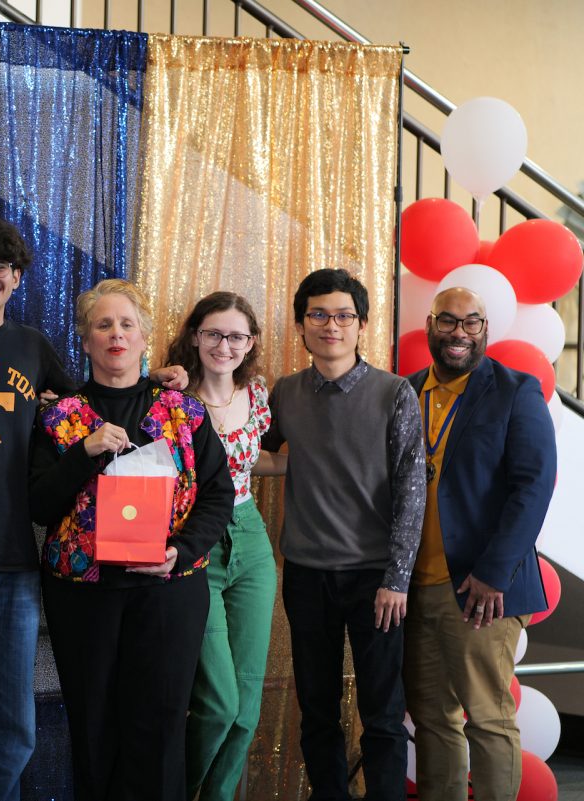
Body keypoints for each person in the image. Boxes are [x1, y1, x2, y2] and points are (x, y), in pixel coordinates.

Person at [0, 220, 185, 800]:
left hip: (18, 561)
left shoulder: (32, 346)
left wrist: (155, 380)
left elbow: (93, 403)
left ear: (18, 279)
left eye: (1, 267)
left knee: (13, 727)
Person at [29, 278, 234, 801]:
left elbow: (217, 497)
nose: (115, 334)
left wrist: (180, 553)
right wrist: (84, 453)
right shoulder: (59, 418)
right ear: (86, 339)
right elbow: (38, 505)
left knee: (161, 728)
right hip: (84, 597)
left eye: (126, 324)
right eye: (103, 325)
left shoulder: (183, 412)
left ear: (145, 337)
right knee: (95, 731)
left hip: (168, 591)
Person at [260, 268, 424, 801]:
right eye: (319, 315)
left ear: (362, 325)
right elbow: (249, 449)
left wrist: (396, 579)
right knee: (317, 711)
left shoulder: (394, 392)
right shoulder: (284, 392)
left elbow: (411, 491)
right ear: (302, 326)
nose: (331, 325)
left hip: (376, 579)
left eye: (343, 315)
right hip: (307, 575)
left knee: (381, 714)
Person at [403, 287, 556, 801]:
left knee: (487, 718)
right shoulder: (406, 391)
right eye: (449, 321)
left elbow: (532, 487)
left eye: (472, 323)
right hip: (413, 587)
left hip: (478, 586)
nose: (460, 334)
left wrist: (493, 573)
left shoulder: (515, 390)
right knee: (431, 719)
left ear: (485, 329)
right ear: (430, 324)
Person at [166, 291, 286, 800]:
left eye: (236, 336)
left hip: (252, 540)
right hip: (195, 542)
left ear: (250, 343)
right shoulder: (171, 397)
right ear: (196, 336)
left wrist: (300, 461)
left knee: (248, 709)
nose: (225, 345)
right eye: (214, 333)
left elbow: (249, 459)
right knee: (218, 704)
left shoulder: (257, 395)